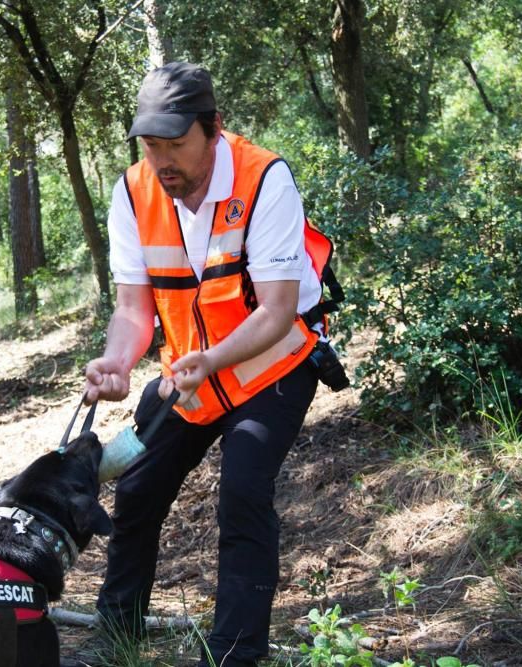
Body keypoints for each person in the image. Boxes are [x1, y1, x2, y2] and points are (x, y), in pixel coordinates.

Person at [83, 62, 341, 666]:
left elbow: (277, 311)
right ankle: (117, 634)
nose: (162, 160)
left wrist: (213, 360)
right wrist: (117, 362)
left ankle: (233, 654)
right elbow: (131, 308)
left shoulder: (264, 178)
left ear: (214, 129)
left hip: (274, 365)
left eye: (176, 144)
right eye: (151, 146)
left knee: (243, 490)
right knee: (138, 486)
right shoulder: (132, 190)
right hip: (191, 377)